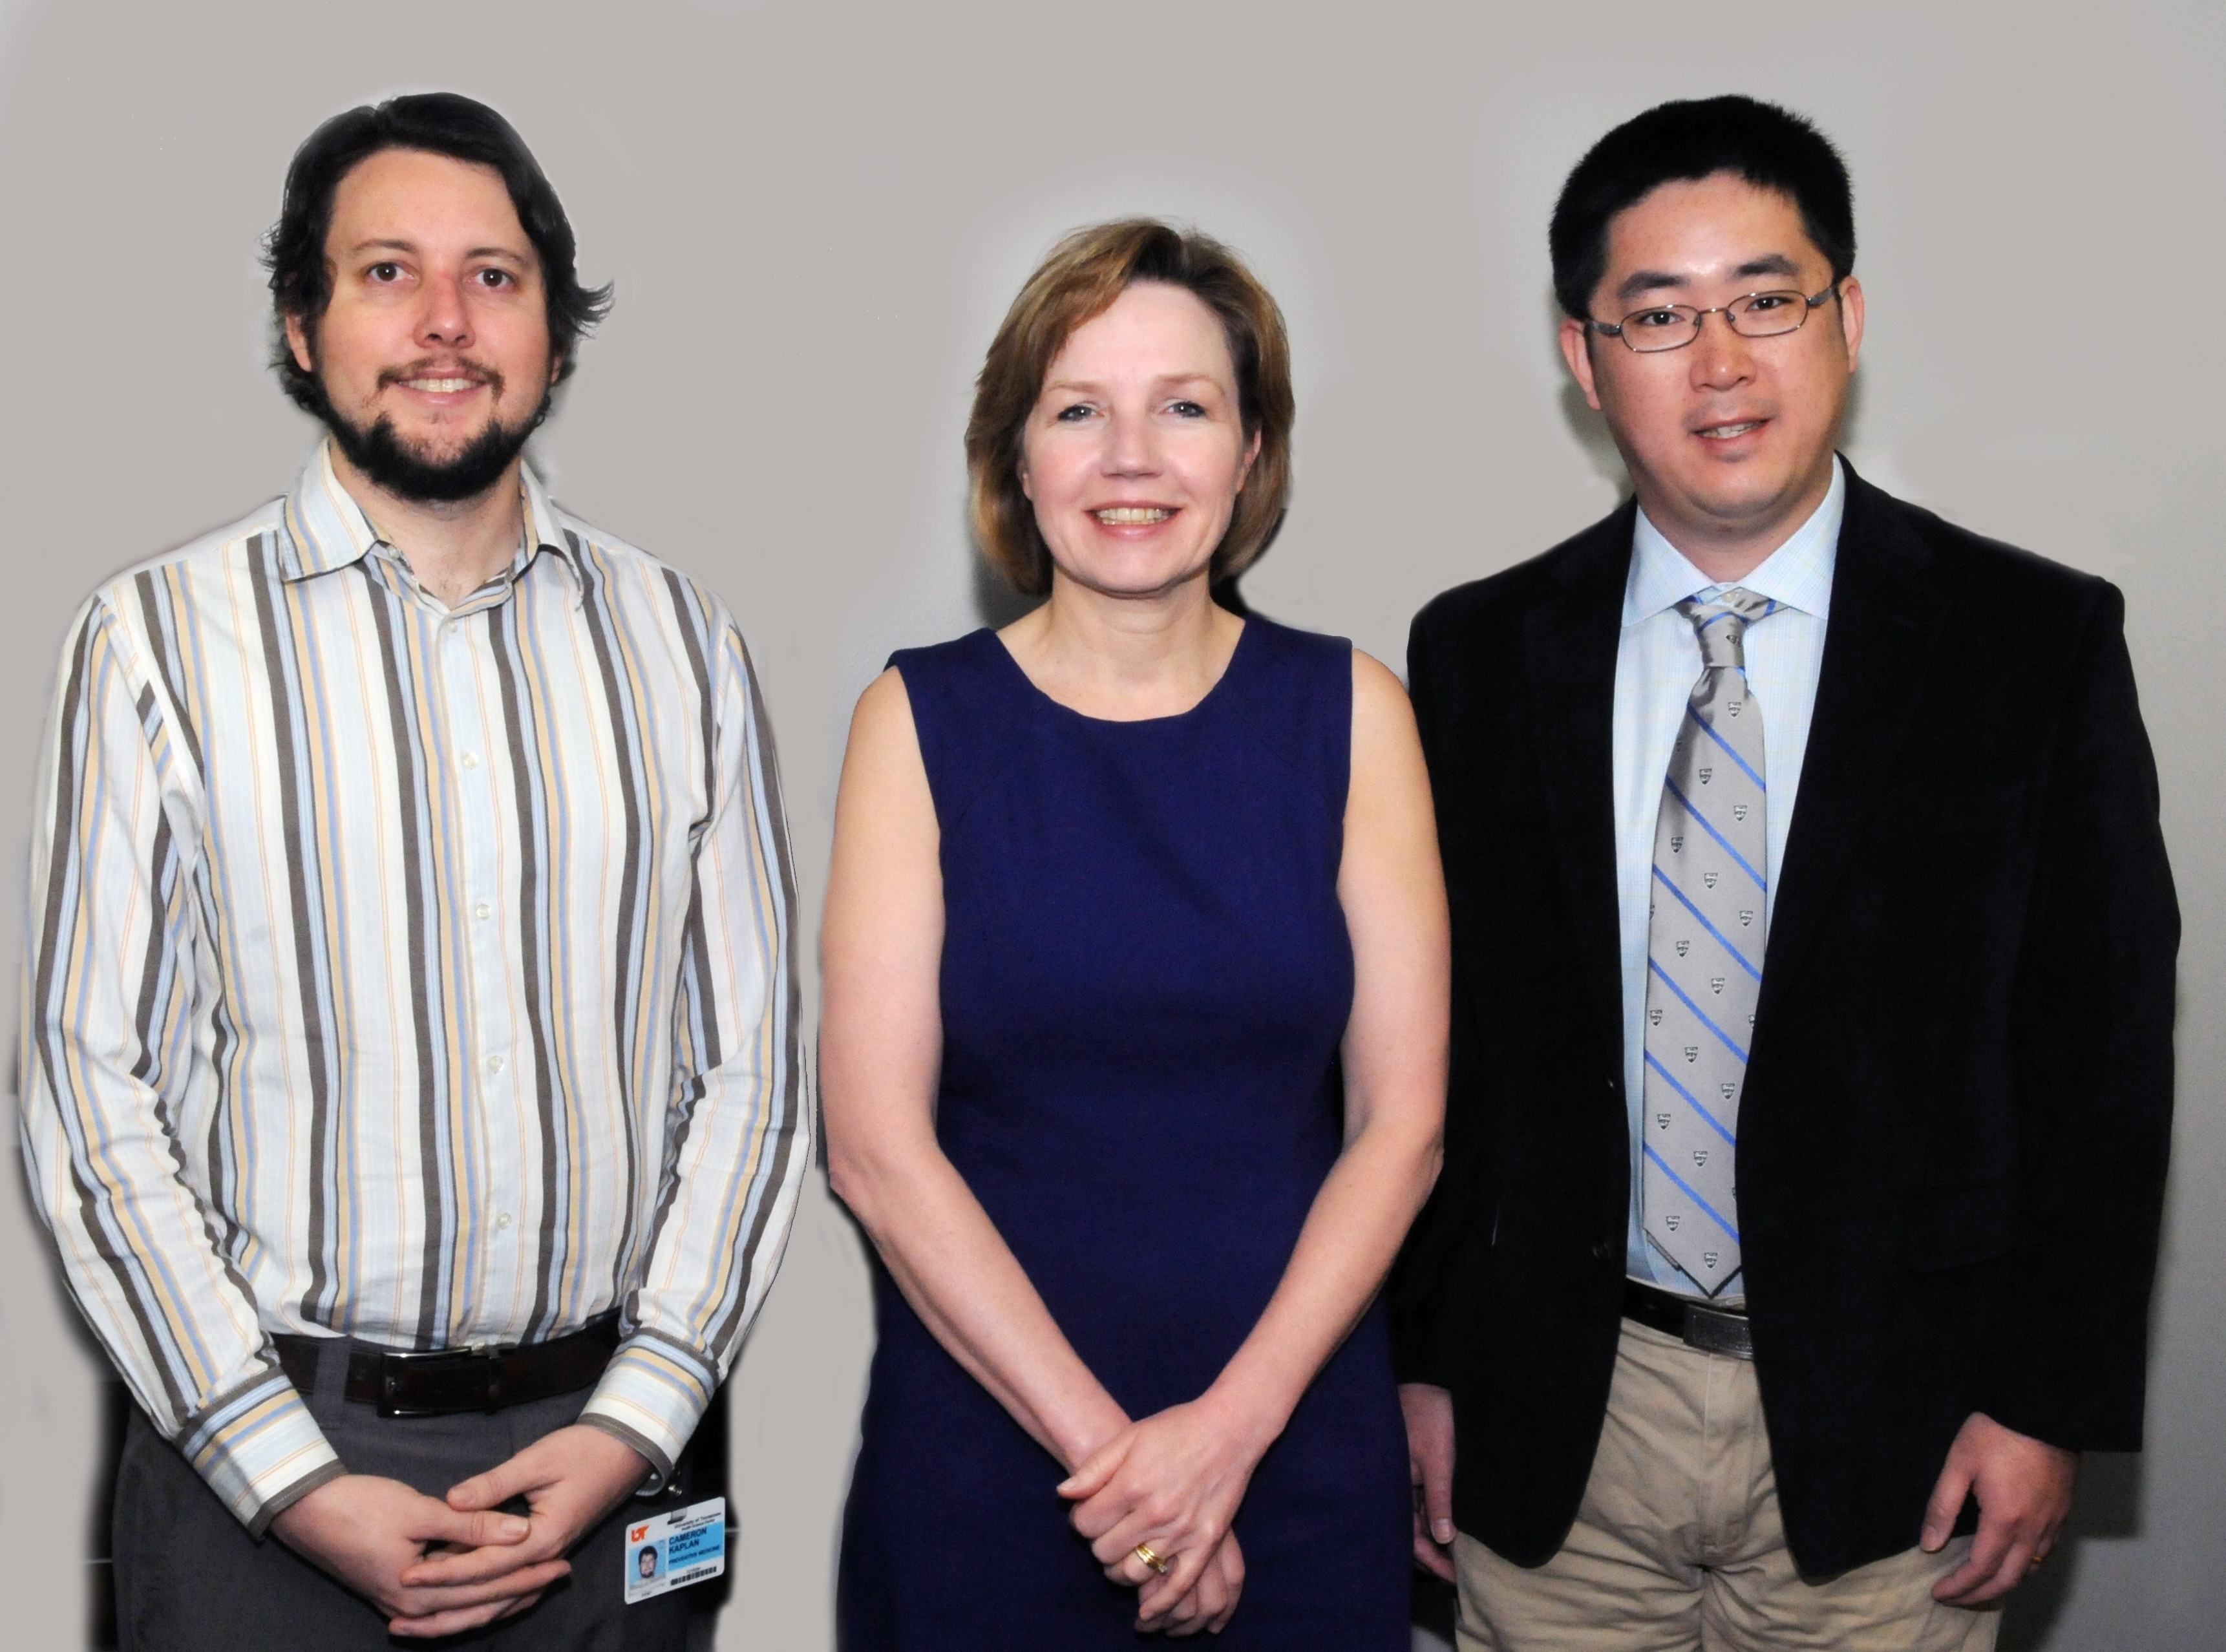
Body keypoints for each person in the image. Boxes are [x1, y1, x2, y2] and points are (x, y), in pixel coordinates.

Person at [17, 93, 807, 1649]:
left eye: (495, 277)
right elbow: (85, 1085)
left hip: (609, 1463)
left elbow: (757, 1067)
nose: (445, 323)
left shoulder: (684, 645)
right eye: (386, 272)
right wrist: (288, 1478)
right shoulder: (156, 642)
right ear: (301, 326)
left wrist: (638, 1420)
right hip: (268, 1466)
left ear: (556, 337)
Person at [1394, 94, 2178, 1651]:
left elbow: (2102, 1057)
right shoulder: (1479, 652)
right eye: (1660, 317)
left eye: (1767, 299)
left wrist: (2045, 1398)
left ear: (1850, 315)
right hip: (1559, 1426)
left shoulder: (2034, 642)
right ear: (1584, 359)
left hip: (1901, 1438)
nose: (1724, 361)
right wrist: (1417, 1360)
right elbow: (1441, 1051)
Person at [822, 218, 1448, 1647]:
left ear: (1249, 453)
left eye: (1184, 407)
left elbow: (1402, 1127)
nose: (1131, 457)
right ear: (1017, 457)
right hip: (995, 1463)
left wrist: (1222, 1442)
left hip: (1292, 1455)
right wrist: (1124, 1468)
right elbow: (874, 1146)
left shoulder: (1357, 714)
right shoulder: (915, 724)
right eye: (1077, 410)